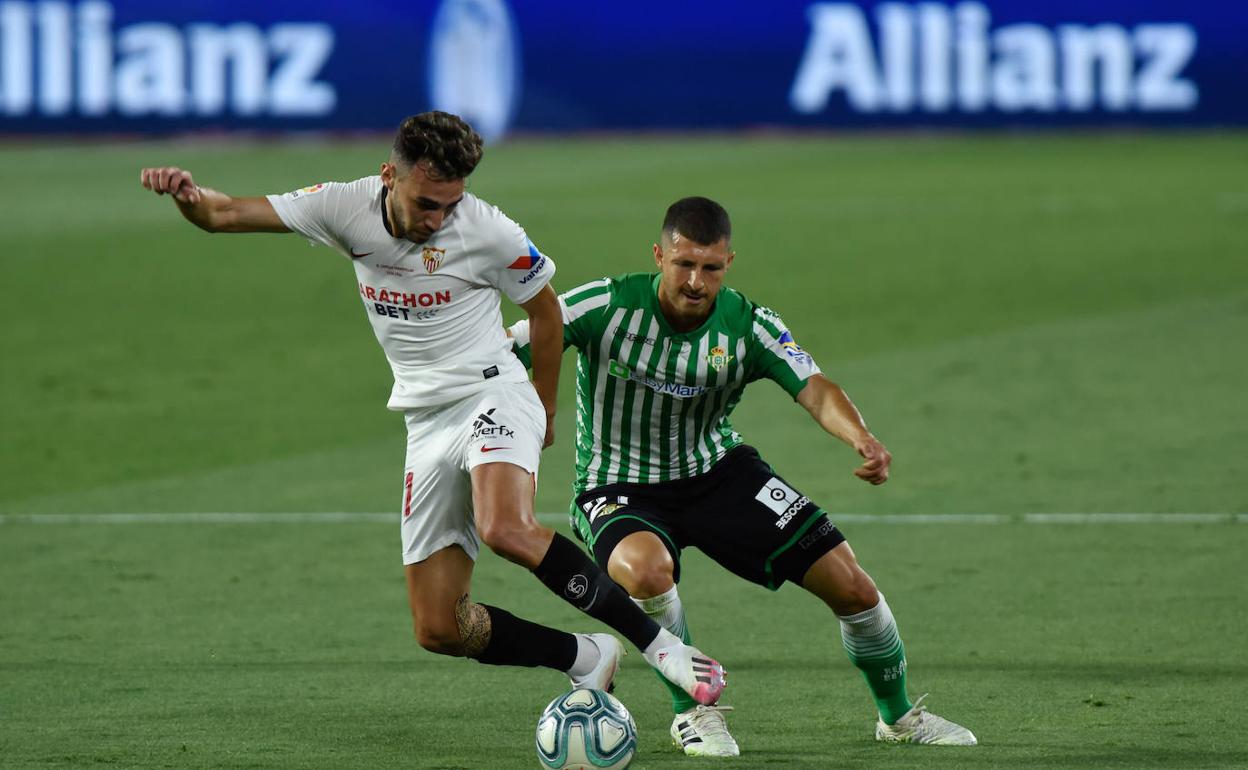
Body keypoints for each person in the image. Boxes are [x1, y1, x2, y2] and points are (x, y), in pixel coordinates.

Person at [137, 113, 726, 708]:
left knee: (505, 528)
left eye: (449, 204)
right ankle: (585, 656)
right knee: (440, 628)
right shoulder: (343, 208)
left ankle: (662, 648)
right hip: (426, 421)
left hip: (493, 391)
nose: (437, 219)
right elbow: (224, 213)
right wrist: (189, 197)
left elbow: (547, 314)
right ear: (388, 175)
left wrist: (544, 407)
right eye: (426, 203)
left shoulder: (489, 231)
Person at [510, 196, 976, 756]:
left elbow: (814, 387)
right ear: (659, 255)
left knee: (853, 586)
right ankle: (693, 713)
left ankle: (898, 717)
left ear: (729, 263)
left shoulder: (748, 325)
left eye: (711, 267)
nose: (695, 281)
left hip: (717, 473)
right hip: (617, 484)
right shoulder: (605, 305)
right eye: (683, 264)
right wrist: (521, 416)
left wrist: (860, 435)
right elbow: (514, 349)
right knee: (645, 569)